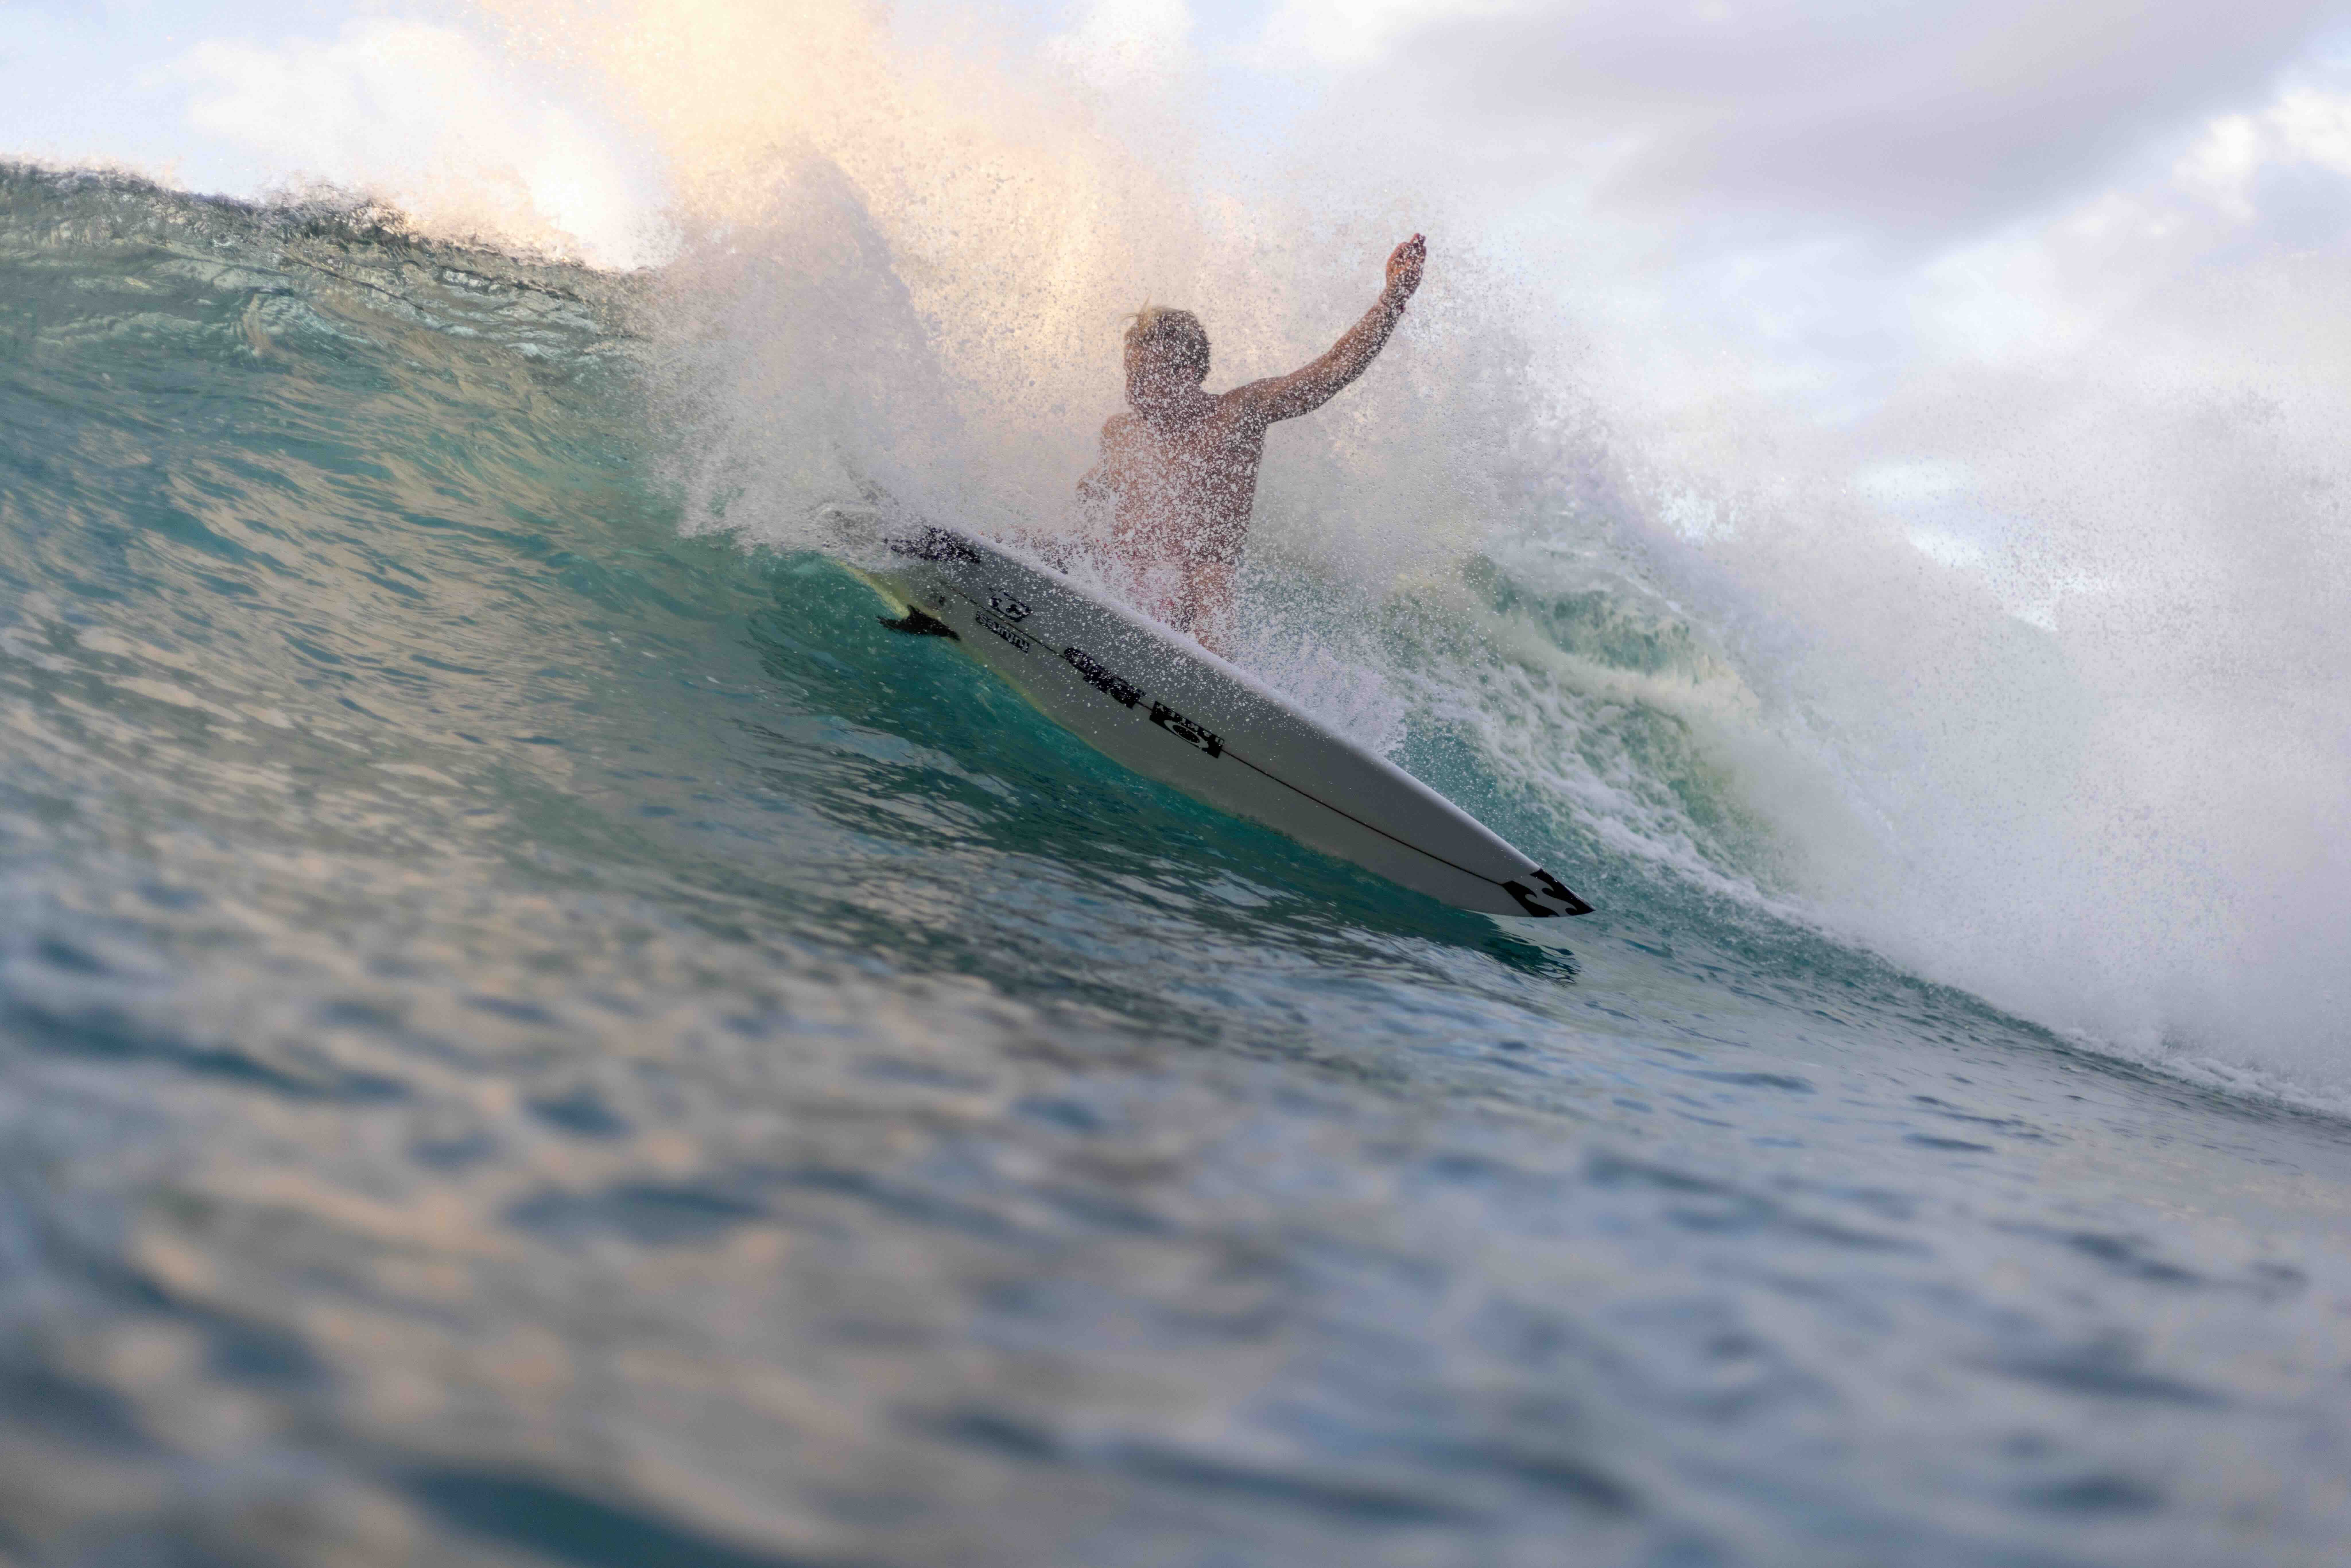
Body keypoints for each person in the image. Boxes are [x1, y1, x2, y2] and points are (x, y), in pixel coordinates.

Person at [1077, 234, 1426, 652]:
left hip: (1192, 605)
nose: (1133, 388)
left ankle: (1210, 672)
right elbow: (1095, 494)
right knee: (1049, 543)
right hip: (1121, 584)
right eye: (1130, 374)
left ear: (1186, 373)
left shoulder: (1236, 415)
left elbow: (1332, 371)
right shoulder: (1120, 432)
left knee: (1210, 573)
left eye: (1145, 376)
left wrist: (1392, 299)